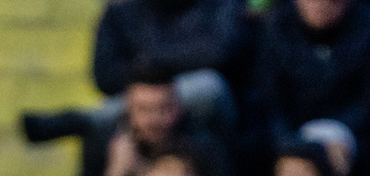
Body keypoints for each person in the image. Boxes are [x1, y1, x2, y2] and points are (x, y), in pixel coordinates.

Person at [41, 70, 238, 176]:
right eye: (144, 110)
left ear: (179, 108)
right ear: (128, 110)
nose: (154, 120)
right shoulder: (105, 146)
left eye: (163, 108)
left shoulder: (203, 149)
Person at [250, 0, 370, 176]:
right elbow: (271, 101)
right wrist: (295, 144)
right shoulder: (275, 26)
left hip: (352, 131)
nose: (320, 5)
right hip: (292, 130)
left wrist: (337, 136)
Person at [91, 0, 251, 126]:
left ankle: (89, 120)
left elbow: (218, 52)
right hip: (136, 98)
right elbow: (105, 76)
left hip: (221, 108)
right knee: (114, 110)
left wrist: (148, 62)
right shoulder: (121, 10)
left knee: (206, 87)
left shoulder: (219, 5)